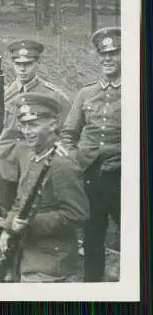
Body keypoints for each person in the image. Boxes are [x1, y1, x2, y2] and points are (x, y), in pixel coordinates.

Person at [0, 92, 89, 283]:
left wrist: (31, 223)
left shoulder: (62, 164)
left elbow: (76, 214)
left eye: (33, 124)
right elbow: (21, 199)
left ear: (53, 125)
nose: (26, 131)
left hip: (52, 258)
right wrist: (8, 228)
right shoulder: (34, 154)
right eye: (23, 125)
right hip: (26, 247)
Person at [60, 27, 122, 282]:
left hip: (124, 177)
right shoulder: (86, 93)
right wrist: (77, 162)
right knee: (93, 235)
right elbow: (68, 134)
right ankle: (93, 287)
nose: (107, 58)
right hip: (90, 178)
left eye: (114, 52)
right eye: (103, 53)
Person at [0, 39, 71, 215]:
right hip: (5, 156)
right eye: (18, 64)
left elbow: (67, 130)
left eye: (28, 64)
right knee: (6, 205)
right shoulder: (4, 93)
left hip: (35, 155)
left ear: (37, 64)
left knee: (34, 203)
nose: (22, 69)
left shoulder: (53, 95)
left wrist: (58, 149)